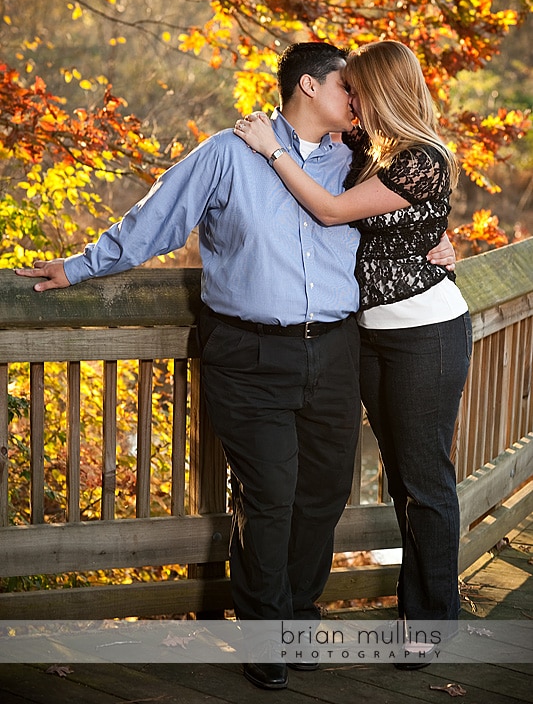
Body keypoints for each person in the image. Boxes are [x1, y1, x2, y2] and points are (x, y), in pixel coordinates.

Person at [16, 42, 455, 689]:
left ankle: (300, 618)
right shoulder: (227, 152)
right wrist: (79, 266)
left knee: (324, 493)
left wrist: (441, 239)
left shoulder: (356, 159)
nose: (357, 102)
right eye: (347, 90)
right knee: (269, 495)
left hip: (336, 350)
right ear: (308, 87)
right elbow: (154, 223)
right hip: (248, 354)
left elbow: (404, 210)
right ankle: (263, 632)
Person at [234, 40, 472, 670]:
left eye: (359, 88)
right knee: (395, 476)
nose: (351, 99)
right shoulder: (368, 150)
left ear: (384, 89)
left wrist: (274, 151)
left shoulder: (424, 156)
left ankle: (429, 627)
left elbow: (335, 210)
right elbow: (381, 219)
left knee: (423, 481)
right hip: (368, 334)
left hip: (426, 333)